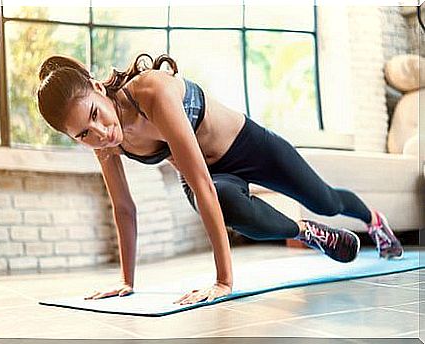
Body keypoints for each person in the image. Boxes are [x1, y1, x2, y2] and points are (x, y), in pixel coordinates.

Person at [36, 53, 404, 306]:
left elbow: (202, 183)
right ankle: (307, 232)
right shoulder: (105, 145)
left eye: (96, 116)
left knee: (327, 201)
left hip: (250, 147)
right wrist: (126, 281)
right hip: (211, 175)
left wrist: (223, 281)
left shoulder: (151, 91)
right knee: (231, 208)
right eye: (83, 134)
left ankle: (373, 221)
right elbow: (124, 208)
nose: (100, 133)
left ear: (98, 90)